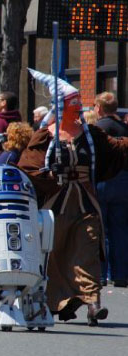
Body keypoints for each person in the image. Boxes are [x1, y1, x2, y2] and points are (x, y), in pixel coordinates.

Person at [19, 69, 128, 326]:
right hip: (55, 203)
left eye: (80, 101)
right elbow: (27, 165)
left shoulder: (91, 134)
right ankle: (61, 301)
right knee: (55, 253)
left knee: (88, 247)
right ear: (61, 106)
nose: (79, 105)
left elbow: (116, 149)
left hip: (86, 201)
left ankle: (93, 303)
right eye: (73, 102)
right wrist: (48, 173)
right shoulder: (46, 135)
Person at [94, 92, 128, 288]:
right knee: (120, 229)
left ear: (99, 108)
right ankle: (120, 274)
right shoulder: (124, 128)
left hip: (103, 180)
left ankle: (101, 273)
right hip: (123, 181)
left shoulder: (98, 129)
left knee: (101, 229)